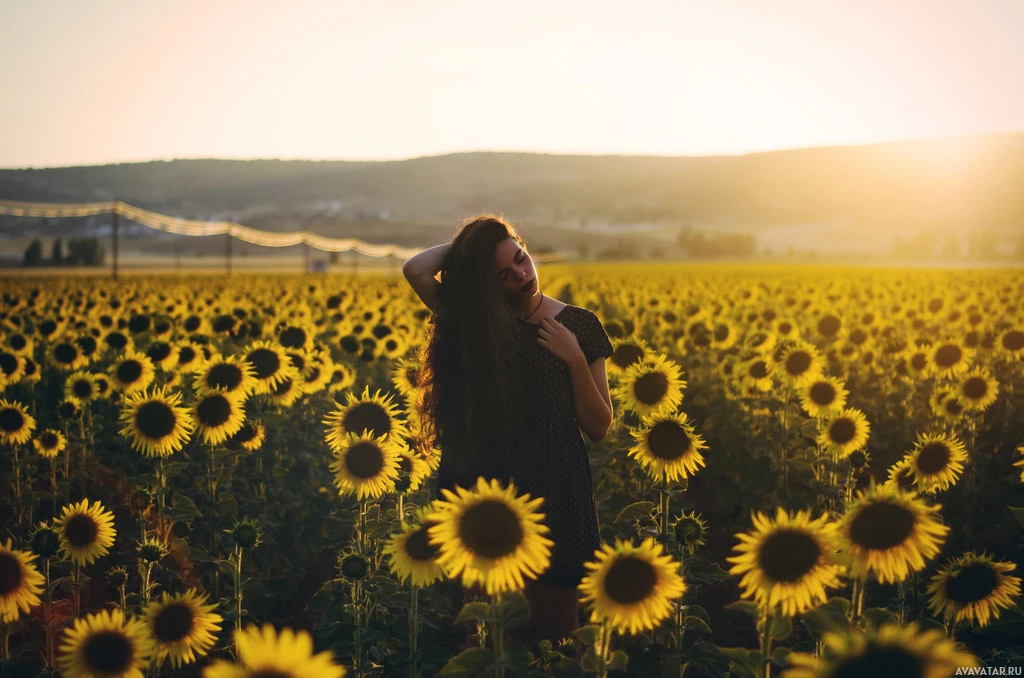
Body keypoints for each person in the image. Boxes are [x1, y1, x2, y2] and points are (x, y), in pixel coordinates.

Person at [401, 214, 614, 650]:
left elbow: (599, 426)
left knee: (560, 639)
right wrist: (469, 251)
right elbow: (416, 269)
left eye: (521, 258)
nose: (522, 275)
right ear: (483, 284)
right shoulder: (474, 325)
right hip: (482, 489)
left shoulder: (580, 325)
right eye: (502, 274)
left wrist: (573, 358)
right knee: (481, 635)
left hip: (555, 488)